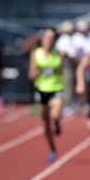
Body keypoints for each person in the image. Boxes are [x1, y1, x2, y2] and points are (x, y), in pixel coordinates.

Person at [28, 28, 65, 163]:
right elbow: (30, 75)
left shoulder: (59, 54)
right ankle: (53, 149)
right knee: (45, 124)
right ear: (42, 39)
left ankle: (57, 122)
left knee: (55, 114)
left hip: (56, 88)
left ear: (55, 41)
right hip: (41, 90)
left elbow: (64, 70)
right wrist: (38, 72)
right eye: (46, 37)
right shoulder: (36, 54)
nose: (49, 40)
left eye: (51, 38)